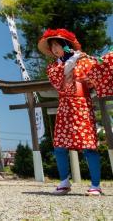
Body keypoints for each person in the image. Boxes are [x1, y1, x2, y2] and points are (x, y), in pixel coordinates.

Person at [37, 29, 103, 196]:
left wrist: (93, 60)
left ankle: (96, 185)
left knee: (89, 146)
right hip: (65, 106)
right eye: (52, 47)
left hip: (82, 105)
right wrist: (73, 60)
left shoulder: (84, 61)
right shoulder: (53, 67)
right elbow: (59, 79)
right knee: (59, 146)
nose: (55, 49)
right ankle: (64, 182)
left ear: (66, 45)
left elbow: (98, 76)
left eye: (58, 45)